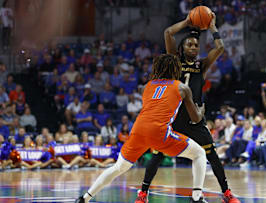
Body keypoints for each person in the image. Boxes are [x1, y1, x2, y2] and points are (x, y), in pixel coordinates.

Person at [76, 54, 207, 203]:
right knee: (199, 154)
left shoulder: (146, 86)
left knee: (118, 168)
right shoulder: (182, 87)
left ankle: (85, 198)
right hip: (158, 131)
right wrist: (201, 110)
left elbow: (158, 104)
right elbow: (195, 118)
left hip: (138, 128)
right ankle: (196, 197)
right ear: (176, 69)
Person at [137, 12, 239, 203]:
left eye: (196, 45)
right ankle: (143, 193)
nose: (193, 47)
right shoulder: (174, 61)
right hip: (174, 116)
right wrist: (187, 22)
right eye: (189, 44)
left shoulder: (202, 65)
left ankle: (226, 192)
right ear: (182, 48)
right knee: (157, 155)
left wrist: (212, 26)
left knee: (212, 155)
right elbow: (168, 33)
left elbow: (220, 47)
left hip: (195, 117)